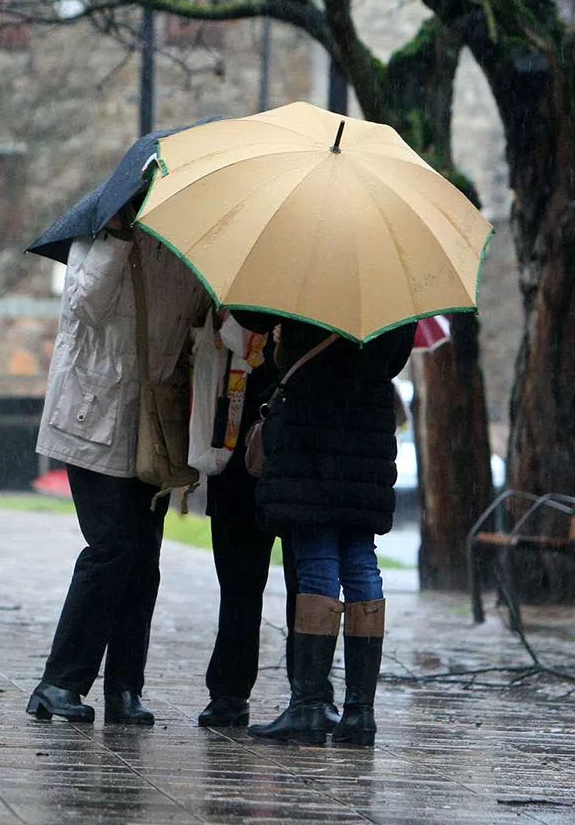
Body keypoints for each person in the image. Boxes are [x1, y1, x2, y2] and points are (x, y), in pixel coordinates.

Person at [28, 210, 209, 725]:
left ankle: (125, 689)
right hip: (91, 417)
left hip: (153, 429)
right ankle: (58, 683)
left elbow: (191, 331)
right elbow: (85, 308)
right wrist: (118, 241)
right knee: (113, 547)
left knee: (144, 559)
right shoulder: (96, 242)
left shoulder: (186, 257)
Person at [234, 313, 416, 747]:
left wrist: (286, 337)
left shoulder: (310, 276)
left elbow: (254, 318)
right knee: (359, 561)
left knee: (317, 560)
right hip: (367, 436)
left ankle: (309, 706)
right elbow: (390, 363)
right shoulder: (395, 288)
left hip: (312, 435)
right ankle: (360, 713)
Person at [197, 328, 337, 730]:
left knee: (307, 584)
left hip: (301, 452)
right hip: (238, 447)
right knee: (240, 585)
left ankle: (307, 692)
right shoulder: (241, 290)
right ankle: (229, 691)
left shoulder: (322, 307)